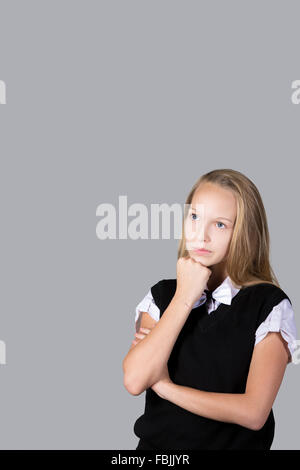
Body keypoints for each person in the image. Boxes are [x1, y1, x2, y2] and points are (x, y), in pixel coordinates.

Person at [122, 168, 297, 450]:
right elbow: (135, 380)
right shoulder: (163, 295)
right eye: (195, 217)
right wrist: (185, 297)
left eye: (219, 225)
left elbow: (253, 412)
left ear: (245, 233)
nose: (201, 236)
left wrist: (167, 388)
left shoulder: (268, 305)